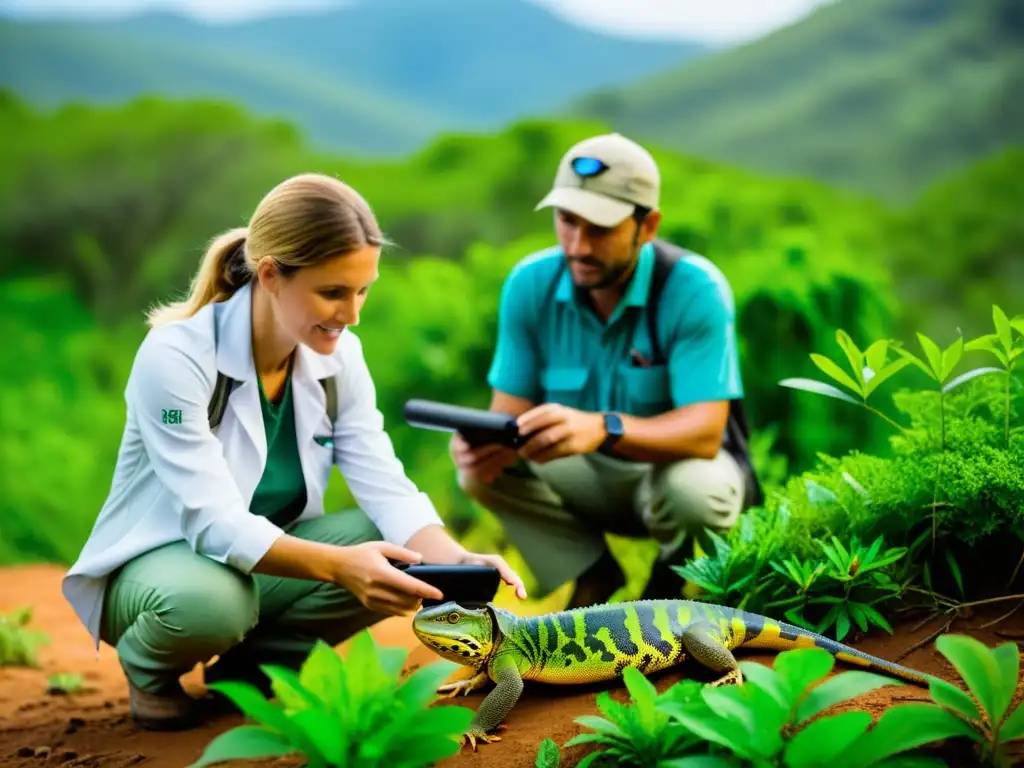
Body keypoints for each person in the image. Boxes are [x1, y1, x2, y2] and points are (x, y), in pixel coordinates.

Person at [62, 172, 526, 732]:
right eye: (333, 292)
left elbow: (381, 478)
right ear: (270, 276)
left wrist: (454, 562)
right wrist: (339, 566)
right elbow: (211, 522)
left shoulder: (338, 357)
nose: (352, 314)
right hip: (166, 565)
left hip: (269, 563)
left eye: (363, 291)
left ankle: (255, 671)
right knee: (216, 604)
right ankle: (150, 673)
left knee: (402, 559)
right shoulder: (177, 355)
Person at [450, 133, 761, 610]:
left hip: (674, 478)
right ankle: (592, 573)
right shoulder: (530, 284)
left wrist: (602, 428)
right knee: (481, 472)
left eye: (599, 228)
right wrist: (483, 444)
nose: (579, 245)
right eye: (567, 221)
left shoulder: (693, 288)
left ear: (648, 225)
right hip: (588, 480)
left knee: (695, 493)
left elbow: (704, 432)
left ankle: (673, 585)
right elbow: (508, 415)